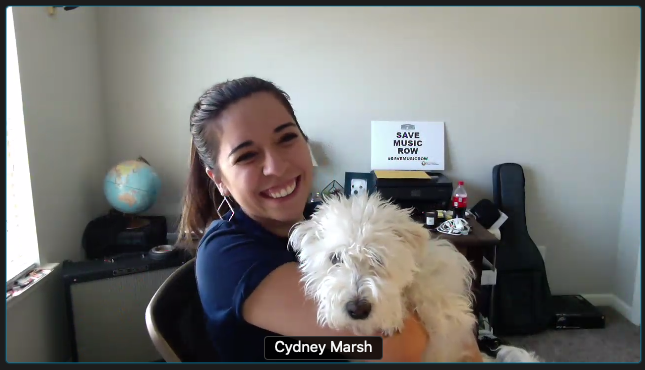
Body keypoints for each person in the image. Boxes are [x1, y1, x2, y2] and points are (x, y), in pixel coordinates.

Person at [177, 76, 429, 362]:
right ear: (219, 179)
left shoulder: (322, 220)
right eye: (246, 155)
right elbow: (397, 349)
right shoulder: (227, 254)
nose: (276, 166)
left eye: (286, 138)